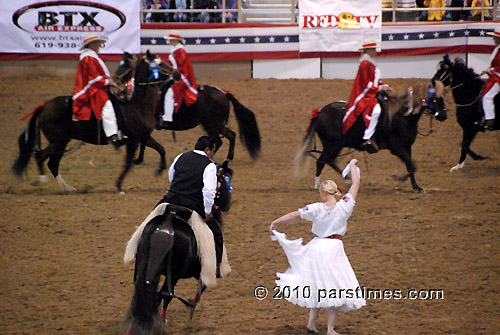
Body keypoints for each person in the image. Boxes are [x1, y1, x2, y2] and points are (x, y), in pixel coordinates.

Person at [269, 159, 365, 335]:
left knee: (317, 286)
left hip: (316, 248)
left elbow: (294, 215)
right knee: (334, 289)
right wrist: (352, 164)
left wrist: (275, 222)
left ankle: (312, 323)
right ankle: (330, 328)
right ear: (335, 192)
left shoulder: (316, 208)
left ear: (322, 192)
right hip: (334, 250)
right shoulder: (345, 205)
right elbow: (356, 182)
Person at [157, 135, 224, 271]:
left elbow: (172, 175)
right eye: (213, 151)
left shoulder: (180, 156)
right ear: (207, 150)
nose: (212, 155)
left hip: (170, 199)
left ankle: (139, 250)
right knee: (216, 233)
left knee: (150, 221)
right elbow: (209, 192)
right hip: (192, 205)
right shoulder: (209, 165)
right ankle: (215, 267)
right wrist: (207, 211)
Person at [73, 33, 124, 146]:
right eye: (97, 44)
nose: (99, 46)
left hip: (97, 85)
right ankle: (112, 134)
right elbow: (93, 78)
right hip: (93, 88)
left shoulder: (91, 57)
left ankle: (119, 129)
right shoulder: (88, 58)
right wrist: (108, 82)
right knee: (106, 106)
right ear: (91, 45)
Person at [342, 41, 390, 154]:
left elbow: (374, 81)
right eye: (373, 49)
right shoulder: (365, 64)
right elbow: (366, 84)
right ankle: (367, 137)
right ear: (368, 51)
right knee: (377, 110)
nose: (375, 52)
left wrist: (383, 86)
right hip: (365, 94)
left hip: (372, 92)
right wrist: (380, 88)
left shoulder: (370, 64)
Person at [156, 30, 198, 129]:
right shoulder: (175, 50)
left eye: (171, 40)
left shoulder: (180, 52)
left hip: (183, 78)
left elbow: (180, 68)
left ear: (175, 40)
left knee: (170, 92)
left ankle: (167, 118)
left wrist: (165, 66)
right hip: (177, 75)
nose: (169, 42)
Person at [479, 27, 500, 130]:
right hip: (495, 75)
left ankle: (490, 119)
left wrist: (489, 71)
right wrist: (488, 70)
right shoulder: (497, 49)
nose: (493, 39)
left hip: (498, 77)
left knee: (488, 96)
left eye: (495, 38)